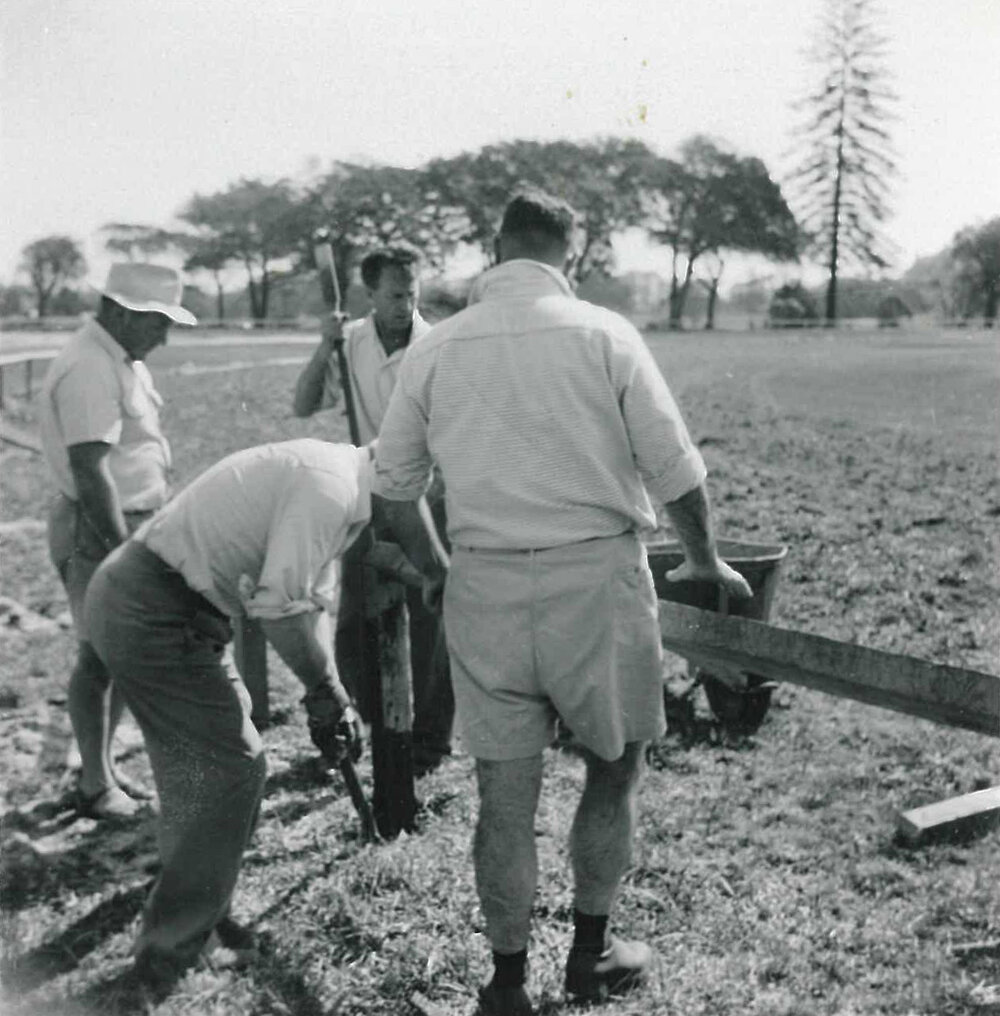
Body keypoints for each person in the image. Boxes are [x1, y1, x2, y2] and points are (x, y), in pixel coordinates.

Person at [374, 190, 753, 1016]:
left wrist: (439, 573)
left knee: (504, 799)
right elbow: (678, 472)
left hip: (486, 582)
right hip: (595, 579)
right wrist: (705, 560)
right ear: (567, 255)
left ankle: (507, 985)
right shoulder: (604, 333)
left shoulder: (437, 349)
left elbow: (394, 488)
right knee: (614, 769)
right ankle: (591, 954)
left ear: (497, 248)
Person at [83, 438, 440, 985]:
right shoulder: (329, 488)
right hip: (151, 607)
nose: (413, 527)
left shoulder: (341, 488)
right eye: (417, 505)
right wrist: (322, 688)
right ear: (398, 486)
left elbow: (308, 603)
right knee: (229, 767)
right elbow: (276, 609)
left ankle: (198, 908)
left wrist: (331, 692)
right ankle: (171, 947)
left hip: (166, 607)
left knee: (220, 765)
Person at [38, 262, 195, 820]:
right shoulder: (87, 367)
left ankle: (100, 765)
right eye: (159, 322)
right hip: (100, 528)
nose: (165, 335)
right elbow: (91, 471)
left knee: (125, 650)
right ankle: (94, 782)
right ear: (126, 313)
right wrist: (122, 550)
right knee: (101, 655)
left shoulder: (119, 359)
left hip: (132, 522)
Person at [293, 245, 454, 773]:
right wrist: (324, 347)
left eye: (412, 293)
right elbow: (304, 405)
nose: (405, 304)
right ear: (369, 294)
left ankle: (429, 742)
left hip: (425, 497)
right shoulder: (351, 343)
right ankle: (364, 724)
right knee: (357, 618)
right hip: (362, 492)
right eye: (394, 295)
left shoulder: (437, 346)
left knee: (431, 617)